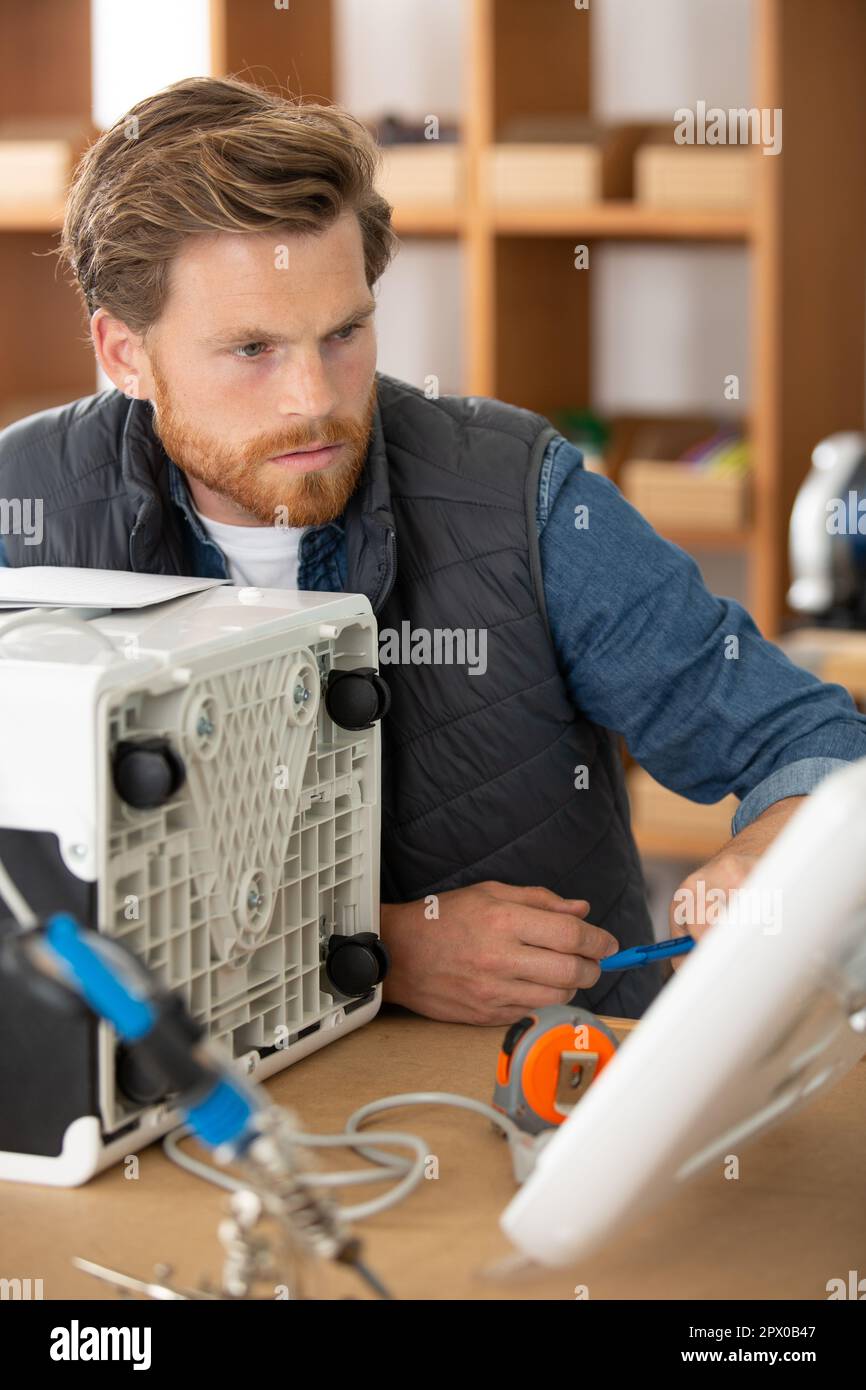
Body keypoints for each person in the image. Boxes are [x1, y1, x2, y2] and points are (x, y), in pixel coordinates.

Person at [2, 76, 865, 1025]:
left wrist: (767, 858)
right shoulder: (21, 509)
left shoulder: (516, 494)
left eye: (344, 334)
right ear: (124, 353)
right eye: (252, 350)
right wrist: (367, 950)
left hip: (536, 1102)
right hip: (159, 1116)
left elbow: (816, 743)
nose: (313, 399)